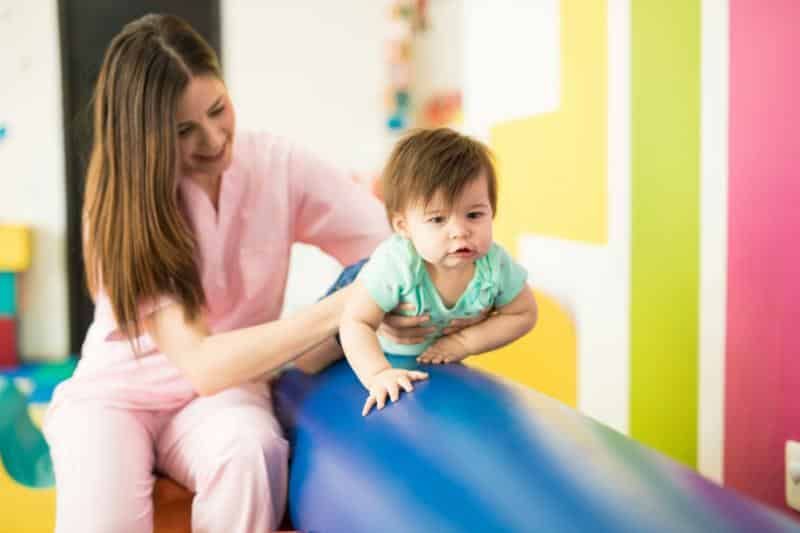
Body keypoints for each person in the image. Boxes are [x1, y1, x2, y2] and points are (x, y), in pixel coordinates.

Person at [43, 14, 456, 533]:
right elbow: (202, 364)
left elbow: (389, 244)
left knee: (251, 451)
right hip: (118, 394)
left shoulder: (277, 166)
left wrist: (455, 257)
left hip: (224, 396)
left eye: (218, 109)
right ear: (144, 141)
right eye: (183, 130)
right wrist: (341, 308)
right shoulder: (122, 207)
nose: (214, 139)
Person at [339, 128, 539, 416]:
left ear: (491, 212)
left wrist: (464, 342)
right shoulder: (396, 264)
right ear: (404, 227)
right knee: (313, 357)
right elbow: (355, 321)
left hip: (424, 350)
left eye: (474, 215)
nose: (459, 231)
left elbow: (523, 313)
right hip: (358, 291)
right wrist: (378, 374)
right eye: (437, 219)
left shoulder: (495, 265)